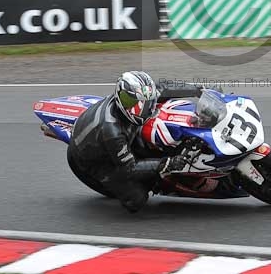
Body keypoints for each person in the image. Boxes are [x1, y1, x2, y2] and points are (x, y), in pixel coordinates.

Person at [67, 70, 189, 212]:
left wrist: (199, 90)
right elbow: (130, 168)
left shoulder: (139, 95)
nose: (142, 110)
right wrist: (166, 163)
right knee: (137, 199)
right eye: (136, 104)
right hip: (93, 159)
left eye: (146, 103)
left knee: (151, 146)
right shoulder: (112, 131)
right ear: (122, 99)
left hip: (110, 136)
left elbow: (165, 88)